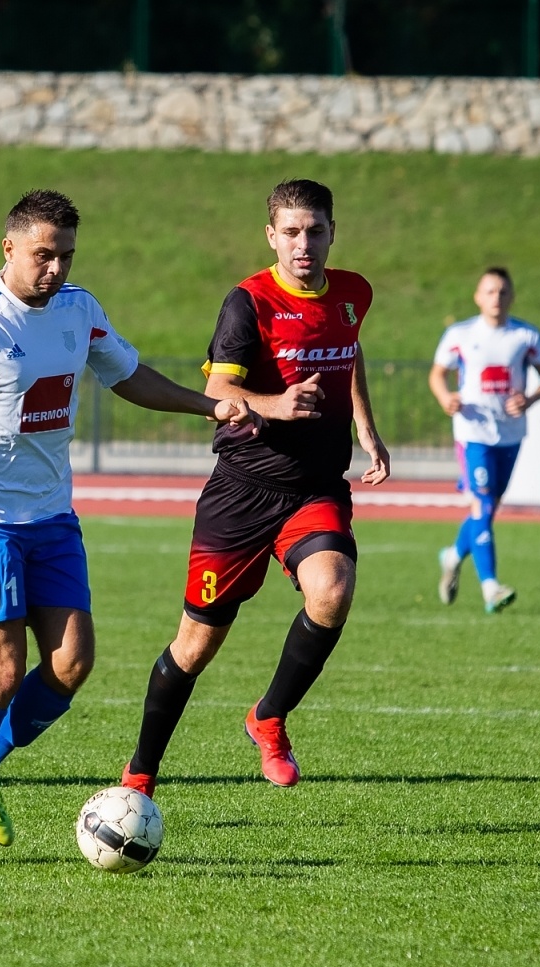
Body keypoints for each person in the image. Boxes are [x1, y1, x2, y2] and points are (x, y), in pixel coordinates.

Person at [0, 189, 257, 868]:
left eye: (65, 256)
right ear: (9, 248)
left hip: (52, 516)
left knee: (70, 665)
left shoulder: (79, 311)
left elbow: (129, 376)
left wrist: (209, 408)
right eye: (42, 254)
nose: (55, 268)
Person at [121, 178, 390, 798]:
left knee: (333, 590)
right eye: (291, 232)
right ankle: (140, 773)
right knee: (196, 645)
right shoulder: (247, 303)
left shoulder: (353, 294)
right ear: (271, 236)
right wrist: (276, 403)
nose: (304, 244)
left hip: (315, 486)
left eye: (315, 230)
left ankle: (268, 717)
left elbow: (348, 353)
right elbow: (218, 393)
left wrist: (367, 430)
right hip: (243, 489)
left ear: (331, 233)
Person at [429, 268, 540, 613]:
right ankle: (490, 587)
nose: (496, 298)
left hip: (510, 434)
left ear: (511, 296)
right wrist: (445, 398)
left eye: (502, 292)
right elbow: (438, 374)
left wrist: (528, 398)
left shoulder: (526, 336)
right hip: (473, 433)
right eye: (489, 291)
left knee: (487, 510)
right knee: (481, 506)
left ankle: (453, 556)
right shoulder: (461, 334)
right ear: (477, 297)